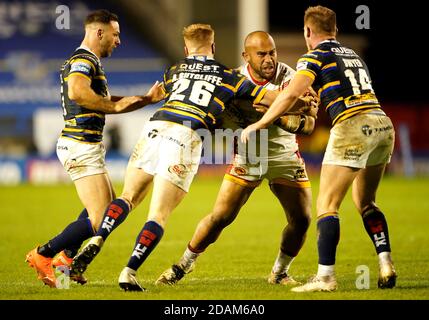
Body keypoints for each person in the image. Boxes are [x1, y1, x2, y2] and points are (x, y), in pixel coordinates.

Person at [69, 23, 280, 291]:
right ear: (213, 47)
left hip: (155, 126)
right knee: (158, 215)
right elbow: (274, 99)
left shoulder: (174, 70)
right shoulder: (230, 76)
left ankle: (98, 238)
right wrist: (301, 99)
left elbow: (166, 94)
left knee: (127, 197)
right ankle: (129, 271)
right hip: (187, 134)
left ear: (185, 49)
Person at [241, 5, 396, 292]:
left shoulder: (313, 56)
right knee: (366, 203)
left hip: (352, 125)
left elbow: (290, 93)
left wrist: (260, 123)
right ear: (335, 30)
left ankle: (325, 277)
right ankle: (386, 263)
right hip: (383, 125)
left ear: (307, 31)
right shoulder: (354, 55)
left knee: (327, 206)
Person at [155, 31, 318, 287]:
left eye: (272, 53)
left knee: (303, 220)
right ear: (246, 56)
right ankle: (181, 266)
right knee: (220, 217)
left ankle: (279, 272)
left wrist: (276, 115)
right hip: (247, 156)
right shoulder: (233, 81)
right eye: (261, 54)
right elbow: (214, 118)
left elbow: (309, 125)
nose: (269, 60)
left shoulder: (292, 77)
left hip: (284, 155)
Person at [25, 9, 163, 288]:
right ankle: (43, 254)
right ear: (99, 32)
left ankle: (65, 264)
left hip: (87, 145)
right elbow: (78, 92)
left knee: (107, 211)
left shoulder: (90, 62)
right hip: (79, 146)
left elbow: (103, 99)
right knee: (101, 217)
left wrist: (145, 100)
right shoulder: (83, 60)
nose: (119, 41)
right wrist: (113, 106)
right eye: (116, 34)